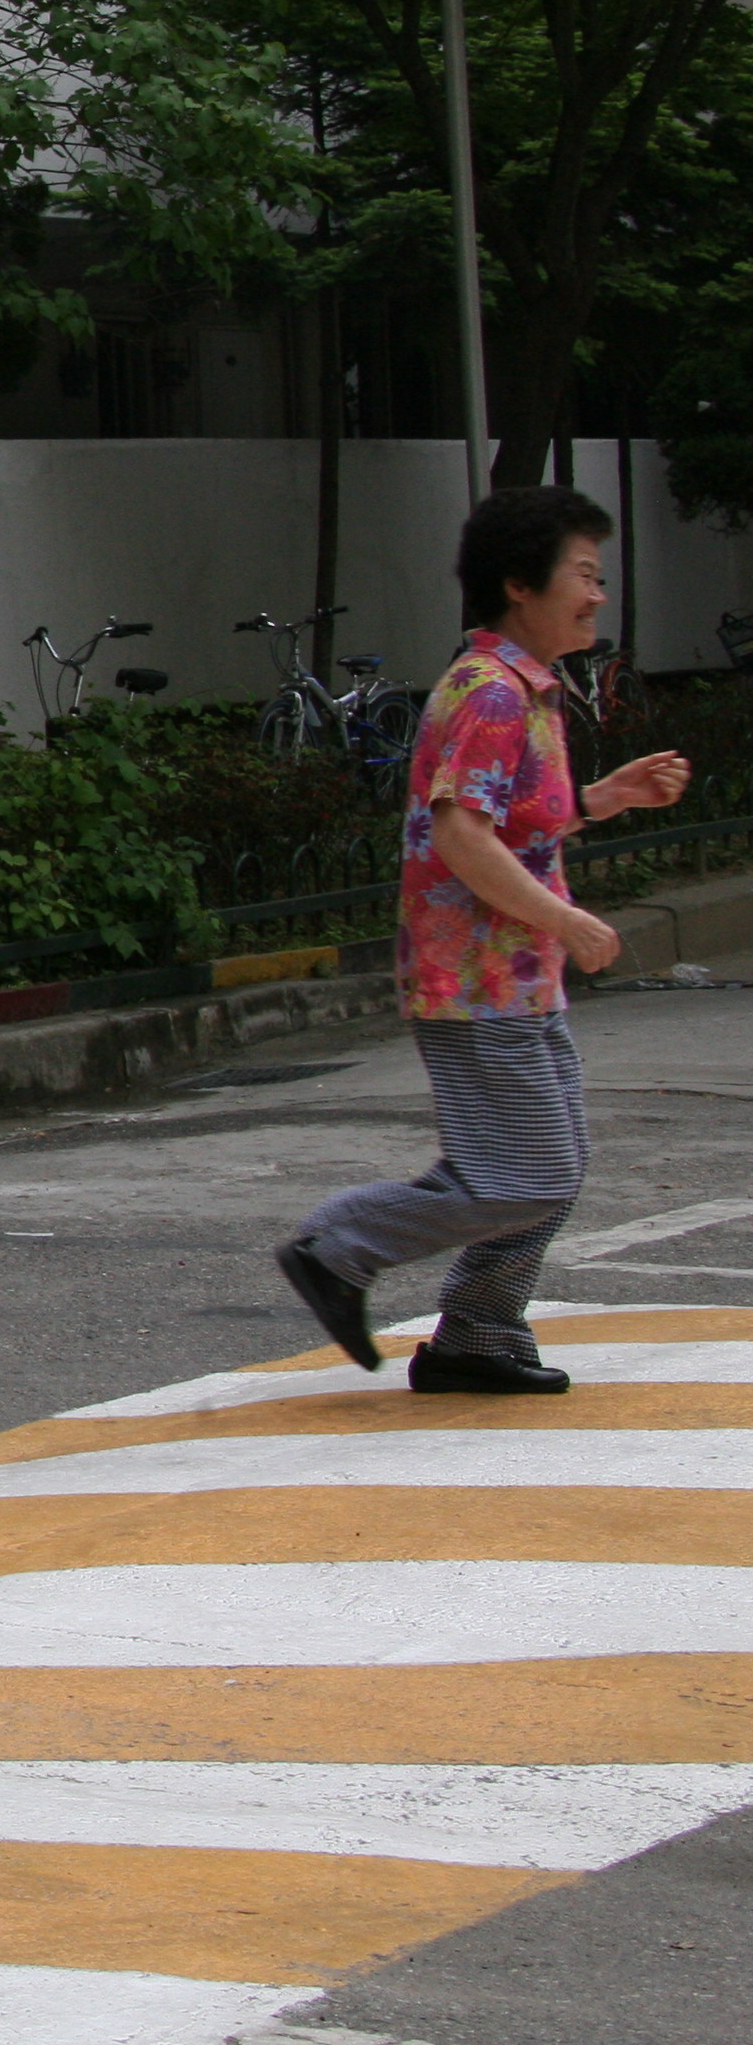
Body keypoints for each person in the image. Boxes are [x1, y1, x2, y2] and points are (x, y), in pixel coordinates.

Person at [274, 485, 690, 1391]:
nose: (597, 594)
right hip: (475, 983)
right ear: (519, 585)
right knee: (529, 1175)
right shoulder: (489, 693)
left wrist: (603, 799)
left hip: (515, 978)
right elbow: (462, 839)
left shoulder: (528, 691)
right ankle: (337, 1247)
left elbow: (510, 827)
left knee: (549, 1168)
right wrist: (570, 920)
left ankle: (477, 1336)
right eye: (583, 574)